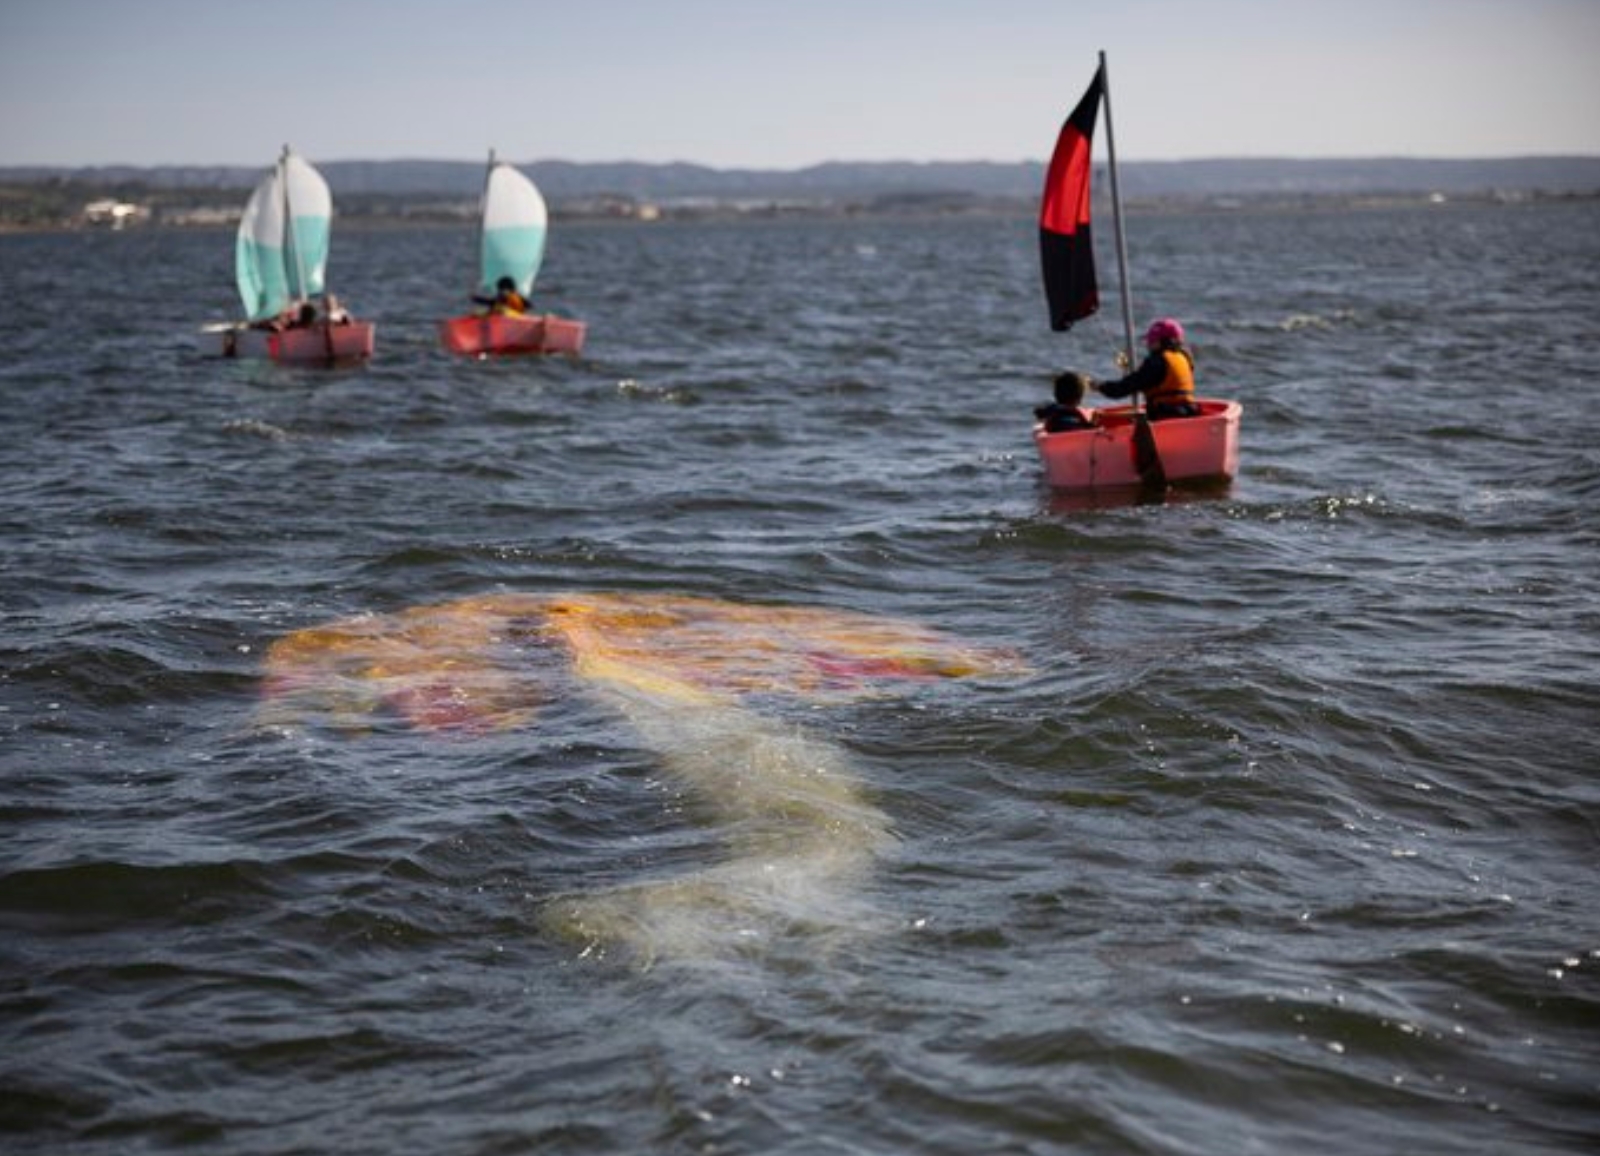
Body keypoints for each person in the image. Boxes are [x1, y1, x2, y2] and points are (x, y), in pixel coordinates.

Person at [1095, 317, 1200, 420]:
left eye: (1152, 341)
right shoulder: (1184, 358)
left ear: (1163, 341)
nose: (1148, 345)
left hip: (1165, 417)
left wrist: (1099, 386)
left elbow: (1123, 388)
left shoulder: (1157, 362)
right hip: (1188, 412)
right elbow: (1149, 379)